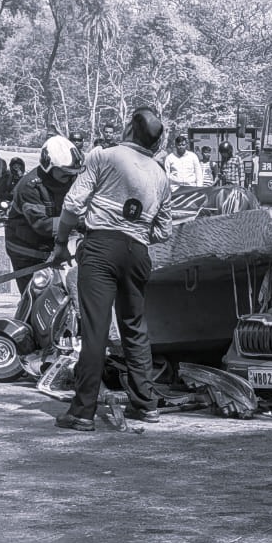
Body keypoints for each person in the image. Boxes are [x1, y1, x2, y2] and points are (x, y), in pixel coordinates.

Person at [50, 107, 172, 432]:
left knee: (95, 330)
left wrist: (61, 243)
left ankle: (82, 412)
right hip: (137, 252)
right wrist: (136, 229)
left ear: (130, 128)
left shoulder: (103, 156)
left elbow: (73, 204)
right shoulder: (160, 174)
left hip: (101, 248)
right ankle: (145, 406)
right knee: (134, 328)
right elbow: (164, 230)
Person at [4, 138, 84, 293]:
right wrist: (76, 222)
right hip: (25, 252)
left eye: (73, 174)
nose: (70, 179)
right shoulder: (29, 187)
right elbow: (42, 225)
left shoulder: (70, 180)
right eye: (66, 174)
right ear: (49, 167)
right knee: (35, 296)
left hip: (52, 247)